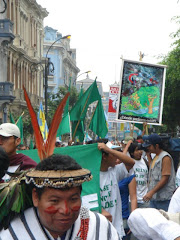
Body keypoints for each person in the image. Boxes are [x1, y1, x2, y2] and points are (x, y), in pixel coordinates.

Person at [0, 154, 119, 240]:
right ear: (36, 197)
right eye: (55, 201)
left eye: (73, 199)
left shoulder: (100, 226)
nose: (65, 210)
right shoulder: (12, 233)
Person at [98, 142, 135, 238]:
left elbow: (131, 163)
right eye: (113, 153)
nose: (116, 157)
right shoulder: (91, 177)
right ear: (104, 156)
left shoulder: (114, 171)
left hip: (116, 230)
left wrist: (109, 150)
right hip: (100, 231)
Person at [142, 134, 176, 211]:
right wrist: (148, 155)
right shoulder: (155, 157)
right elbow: (152, 168)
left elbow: (165, 178)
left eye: (149, 146)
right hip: (155, 198)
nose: (148, 148)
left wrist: (151, 192)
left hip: (164, 199)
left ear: (156, 146)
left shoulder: (165, 157)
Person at [128, 141, 149, 208]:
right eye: (137, 150)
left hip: (144, 200)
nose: (140, 152)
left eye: (141, 149)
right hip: (131, 200)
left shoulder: (145, 162)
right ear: (132, 153)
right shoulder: (128, 163)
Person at [118, 174, 137, 240]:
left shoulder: (129, 175)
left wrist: (133, 221)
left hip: (123, 217)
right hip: (107, 217)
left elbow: (133, 198)